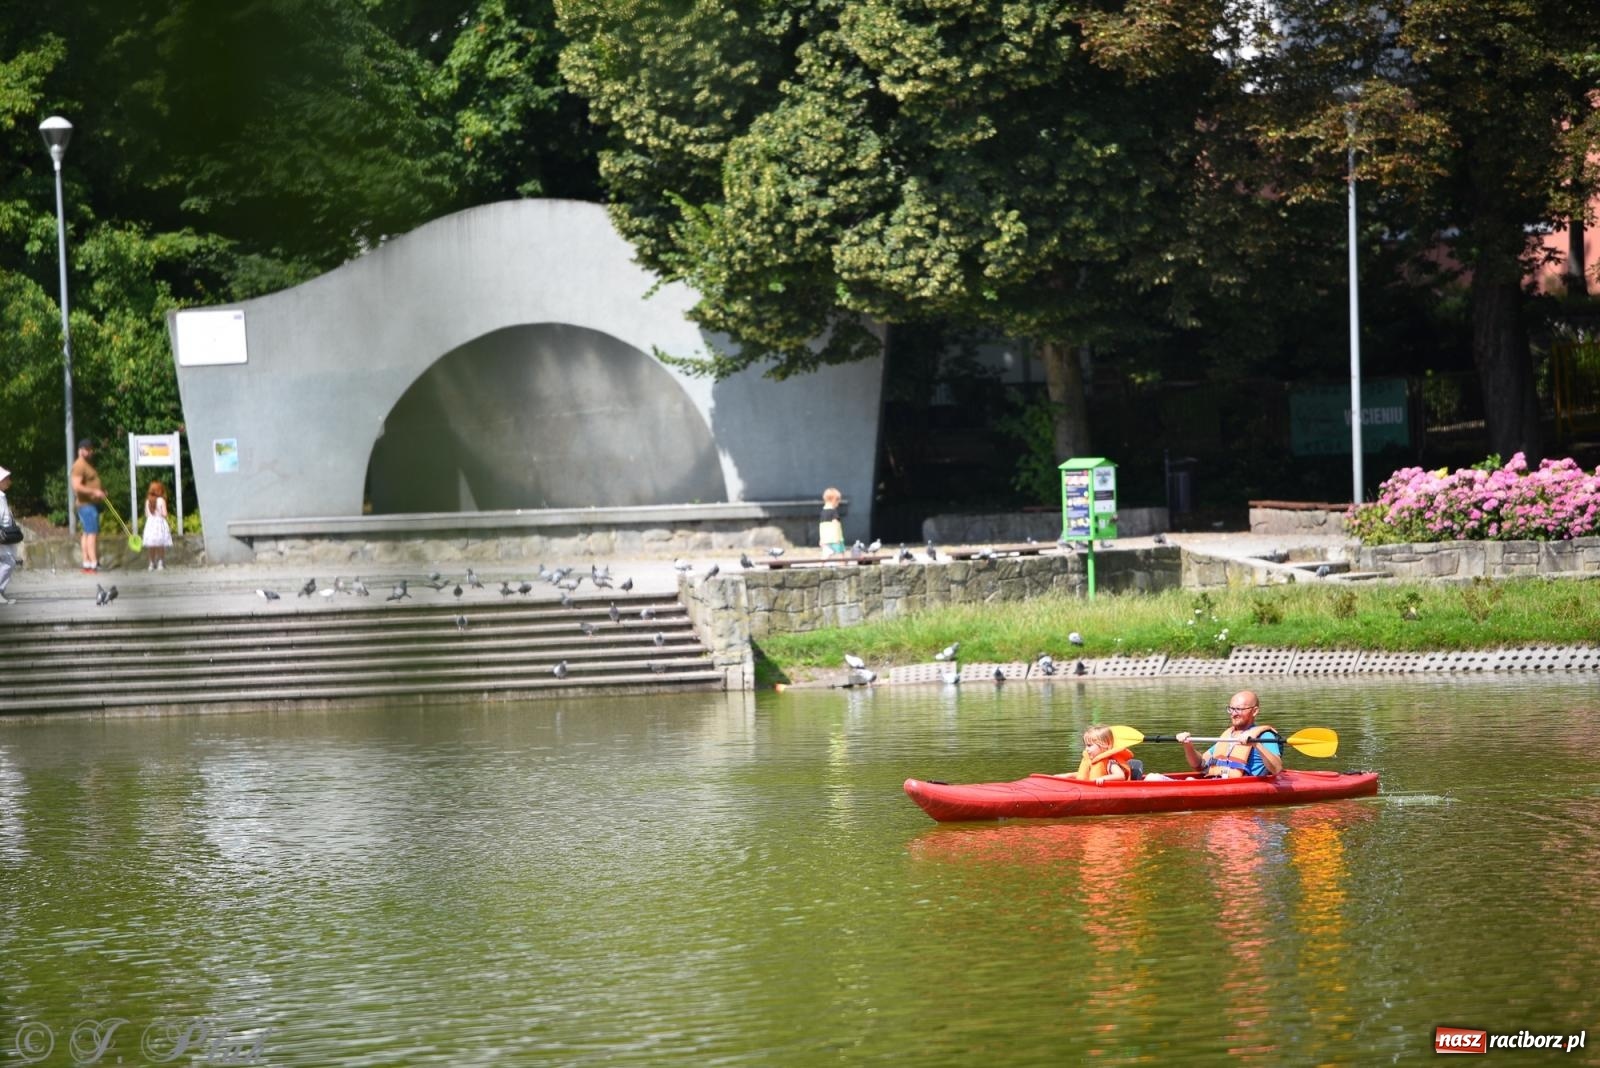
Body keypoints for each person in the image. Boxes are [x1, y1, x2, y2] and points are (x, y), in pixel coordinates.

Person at [1177, 690, 1284, 778]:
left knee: (1190, 780)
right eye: (1231, 709)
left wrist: (1256, 744)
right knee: (1159, 778)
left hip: (1242, 785)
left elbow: (1277, 769)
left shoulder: (1265, 736)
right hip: (1216, 782)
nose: (1233, 714)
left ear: (1255, 711)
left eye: (1239, 709)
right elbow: (1199, 765)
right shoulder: (1228, 736)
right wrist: (1188, 745)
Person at [70, 438, 106, 573]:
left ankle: (87, 563)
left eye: (90, 449)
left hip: (90, 504)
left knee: (87, 533)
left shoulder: (86, 463)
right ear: (80, 450)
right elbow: (76, 486)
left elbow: (89, 482)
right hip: (86, 505)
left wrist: (101, 491)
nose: (89, 451)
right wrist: (94, 491)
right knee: (92, 534)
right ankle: (93, 563)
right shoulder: (79, 465)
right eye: (86, 449)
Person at [142, 480, 173, 570]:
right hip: (159, 524)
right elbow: (165, 513)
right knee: (160, 544)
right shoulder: (161, 500)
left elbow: (147, 514)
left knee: (151, 545)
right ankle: (160, 562)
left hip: (150, 524)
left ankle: (151, 563)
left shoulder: (147, 501)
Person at [0, 466, 17, 605]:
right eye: (6, 479)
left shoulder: (2, 497)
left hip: (6, 536)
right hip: (2, 537)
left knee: (8, 562)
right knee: (9, 562)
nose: (9, 481)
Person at [818, 487, 846, 555]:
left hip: (826, 539)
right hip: (835, 539)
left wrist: (821, 539)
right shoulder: (834, 512)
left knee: (825, 554)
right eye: (838, 500)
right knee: (841, 554)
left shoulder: (823, 512)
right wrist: (837, 538)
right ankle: (843, 564)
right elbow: (836, 525)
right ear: (833, 500)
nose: (838, 503)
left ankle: (821, 564)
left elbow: (821, 527)